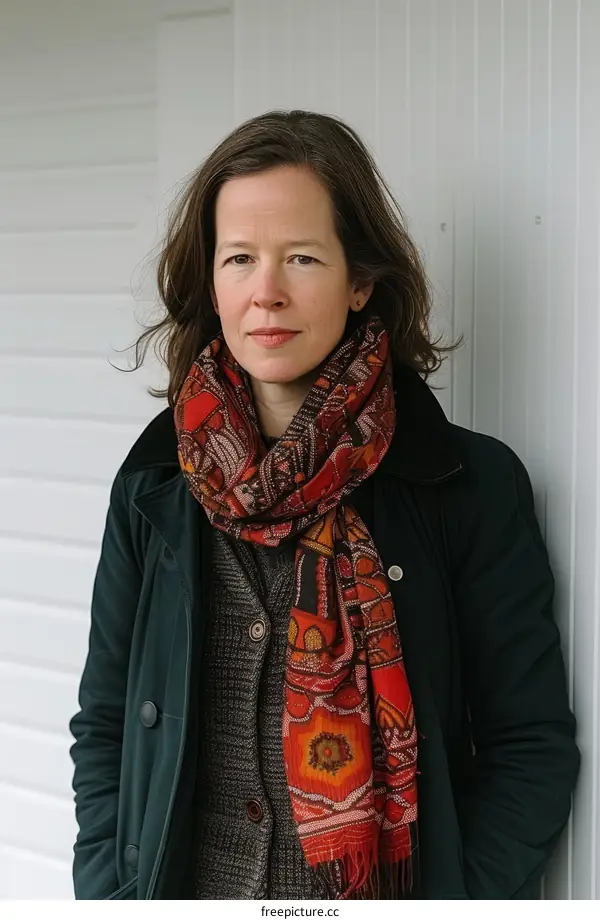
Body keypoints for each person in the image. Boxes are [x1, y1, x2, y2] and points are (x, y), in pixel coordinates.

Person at [69, 110, 579, 901]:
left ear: (360, 280)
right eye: (240, 258)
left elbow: (528, 745)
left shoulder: (465, 484)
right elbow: (107, 725)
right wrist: (108, 896)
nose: (266, 292)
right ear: (213, 282)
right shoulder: (154, 484)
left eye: (301, 257)